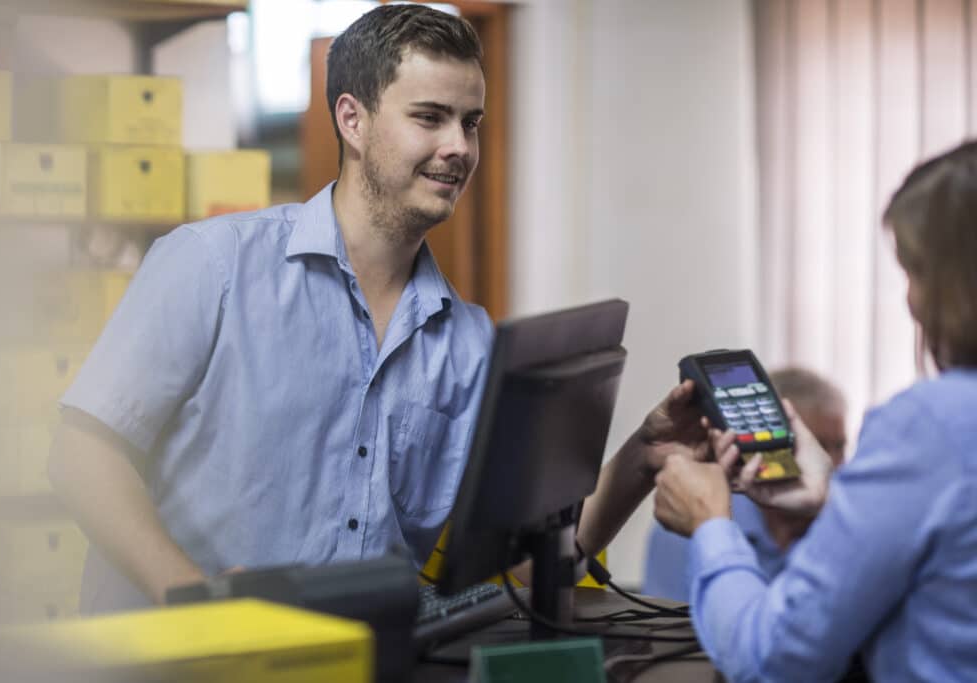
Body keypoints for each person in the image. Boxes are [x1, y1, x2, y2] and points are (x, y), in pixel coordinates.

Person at [48, 4, 707, 614]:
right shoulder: (211, 264)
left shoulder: (469, 344)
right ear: (352, 120)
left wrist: (644, 456)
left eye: (470, 122)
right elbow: (83, 451)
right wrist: (194, 599)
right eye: (430, 117)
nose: (460, 147)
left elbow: (526, 564)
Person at [654, 141, 977, 681]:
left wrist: (711, 524)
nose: (911, 302)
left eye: (915, 274)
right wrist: (833, 502)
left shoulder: (930, 425)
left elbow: (772, 659)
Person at [642, 367, 847, 601]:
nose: (831, 462)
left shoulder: (845, 524)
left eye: (840, 445)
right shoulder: (687, 523)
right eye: (819, 444)